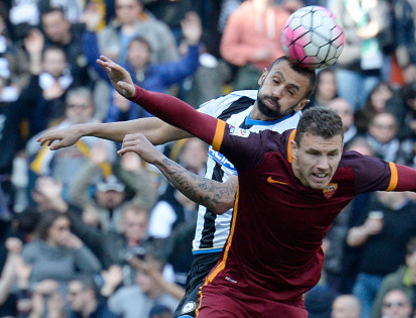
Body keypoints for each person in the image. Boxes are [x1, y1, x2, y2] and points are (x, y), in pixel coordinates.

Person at [45, 56, 416, 317]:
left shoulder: (326, 159)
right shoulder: (251, 134)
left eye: (292, 92)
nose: (326, 166)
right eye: (276, 81)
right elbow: (177, 119)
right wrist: (97, 122)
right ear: (297, 149)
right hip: (227, 274)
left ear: (303, 113)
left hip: (283, 293)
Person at [38, 55, 316, 318]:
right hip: (208, 253)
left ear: (301, 104)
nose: (278, 92)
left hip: (243, 261)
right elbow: (161, 129)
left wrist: (158, 160)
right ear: (263, 76)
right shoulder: (236, 102)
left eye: (291, 91)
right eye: (276, 81)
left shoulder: (289, 141)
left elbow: (222, 199)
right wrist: (86, 129)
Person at [219, 0, 290, 90]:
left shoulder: (284, 18)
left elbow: (291, 52)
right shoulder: (240, 15)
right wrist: (254, 53)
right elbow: (227, 49)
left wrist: (273, 56)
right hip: (247, 71)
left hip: (277, 71)